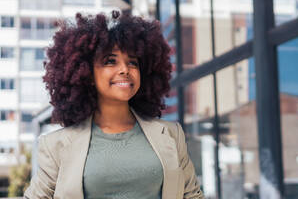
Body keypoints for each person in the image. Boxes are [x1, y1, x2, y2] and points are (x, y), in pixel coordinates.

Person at [24, 12, 204, 199]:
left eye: (132, 62)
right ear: (85, 72)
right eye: (110, 61)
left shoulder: (171, 135)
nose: (125, 70)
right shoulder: (57, 145)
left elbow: (192, 196)